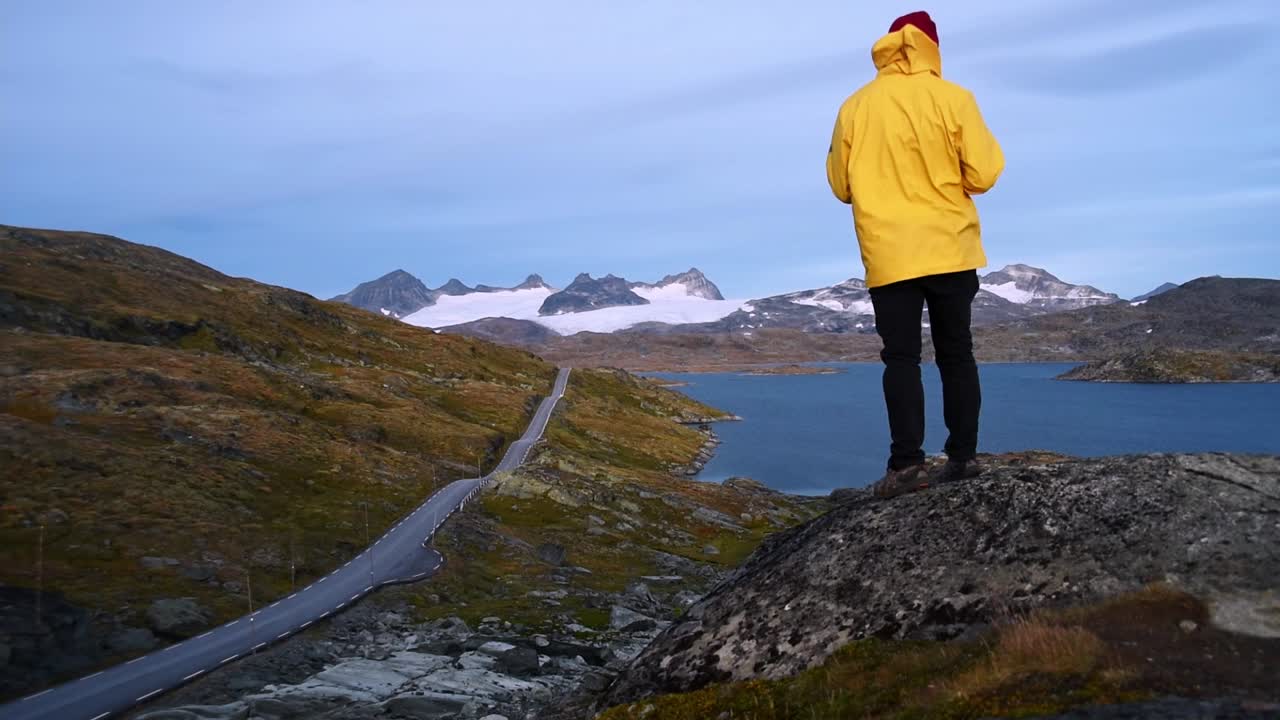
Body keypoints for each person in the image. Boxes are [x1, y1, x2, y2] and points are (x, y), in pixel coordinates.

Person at [825, 10, 1004, 498]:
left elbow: (841, 185)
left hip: (889, 252)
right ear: (932, 48)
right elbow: (984, 174)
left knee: (900, 359)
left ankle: (906, 466)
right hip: (950, 244)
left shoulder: (856, 107)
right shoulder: (954, 99)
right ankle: (964, 457)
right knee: (956, 353)